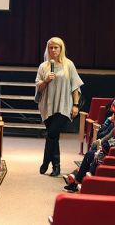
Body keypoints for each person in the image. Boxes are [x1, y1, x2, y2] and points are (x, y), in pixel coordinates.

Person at [35, 37, 84, 177]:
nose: (53, 50)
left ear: (61, 49)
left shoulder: (69, 65)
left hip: (64, 105)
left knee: (51, 133)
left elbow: (75, 87)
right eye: (51, 47)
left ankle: (47, 163)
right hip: (47, 105)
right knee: (53, 136)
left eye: (56, 47)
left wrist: (75, 105)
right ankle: (54, 166)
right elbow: (39, 88)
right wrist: (46, 80)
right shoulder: (43, 66)